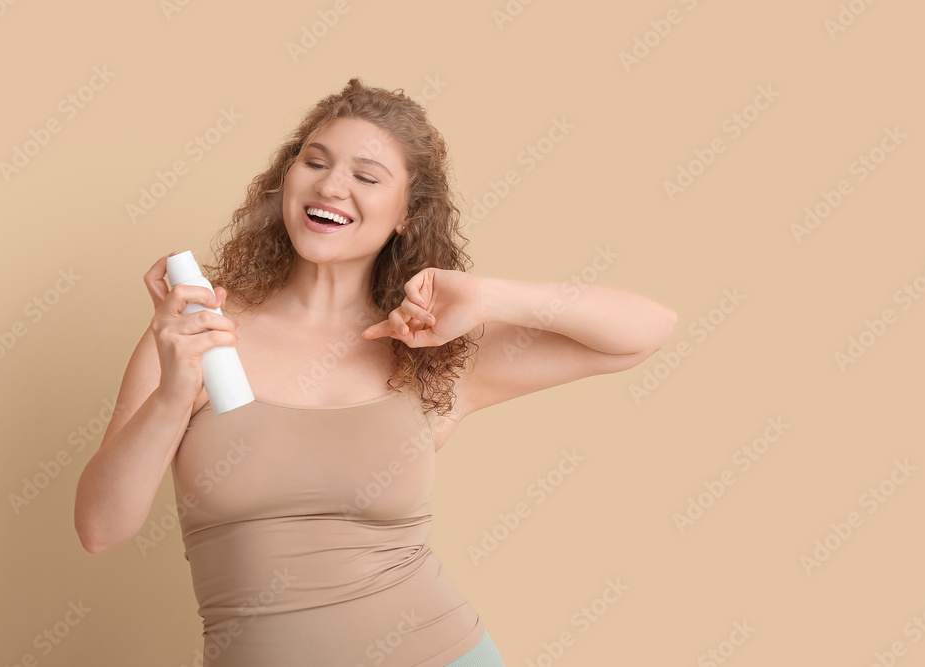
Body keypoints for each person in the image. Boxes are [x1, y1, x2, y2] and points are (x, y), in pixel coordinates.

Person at [74, 78, 677, 666]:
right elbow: (100, 528)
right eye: (315, 162)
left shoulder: (432, 350)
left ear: (408, 215)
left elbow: (646, 330)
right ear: (286, 179)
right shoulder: (196, 334)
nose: (333, 186)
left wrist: (488, 296)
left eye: (366, 177)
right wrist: (173, 398)